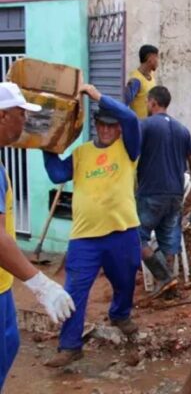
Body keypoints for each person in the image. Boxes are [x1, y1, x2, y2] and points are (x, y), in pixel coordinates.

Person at [42, 84, 141, 367]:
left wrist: (97, 96)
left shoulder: (128, 148)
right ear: (96, 125)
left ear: (119, 129)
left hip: (123, 232)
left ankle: (120, 314)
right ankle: (70, 346)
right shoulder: (81, 153)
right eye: (102, 125)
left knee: (125, 281)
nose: (107, 130)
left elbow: (131, 118)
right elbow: (56, 174)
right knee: (75, 289)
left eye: (112, 126)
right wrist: (46, 144)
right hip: (85, 237)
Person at [0, 82, 74, 387]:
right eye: (21, 114)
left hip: (3, 286)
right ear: (3, 116)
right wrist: (40, 284)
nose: (25, 121)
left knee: (9, 345)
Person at [137, 86, 191, 294]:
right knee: (168, 240)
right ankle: (169, 289)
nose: (147, 105)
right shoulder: (182, 129)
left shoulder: (145, 125)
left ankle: (163, 277)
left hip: (151, 192)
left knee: (136, 237)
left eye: (147, 102)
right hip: (175, 194)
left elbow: (131, 153)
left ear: (153, 102)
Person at [124, 44, 159, 119]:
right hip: (139, 124)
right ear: (150, 58)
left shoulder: (151, 75)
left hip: (150, 123)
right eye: (156, 57)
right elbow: (124, 103)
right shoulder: (135, 80)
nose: (157, 61)